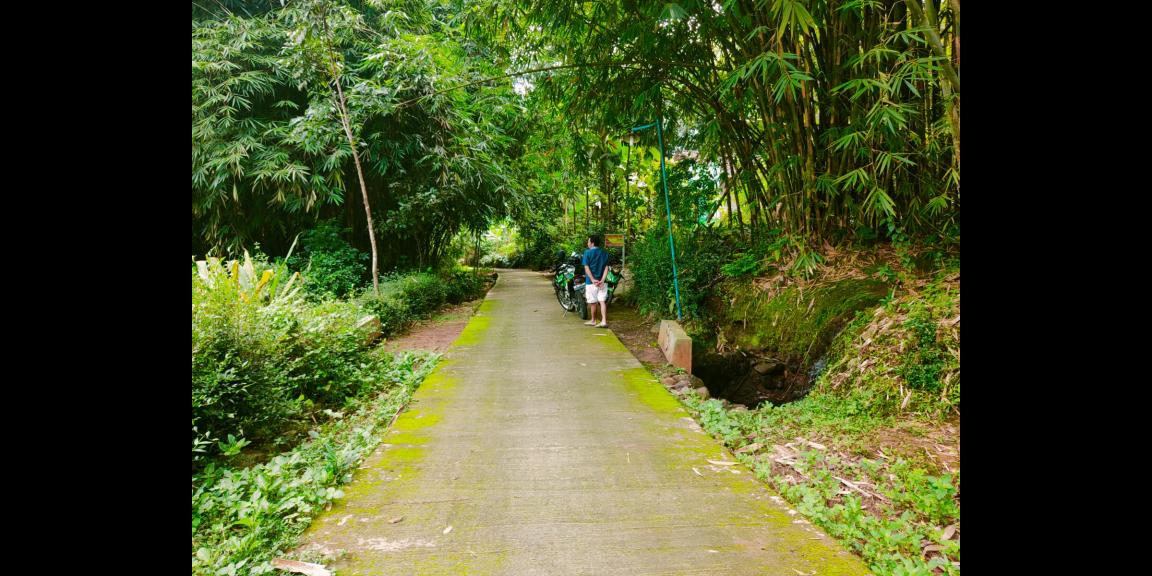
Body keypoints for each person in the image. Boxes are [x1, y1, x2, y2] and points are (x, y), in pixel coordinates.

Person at [581, 234, 610, 328]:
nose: (587, 243)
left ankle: (593, 320)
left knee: (593, 303)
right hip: (602, 283)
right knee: (602, 301)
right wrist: (602, 280)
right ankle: (604, 321)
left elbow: (586, 268)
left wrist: (593, 280)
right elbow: (606, 268)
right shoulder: (604, 253)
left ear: (592, 243)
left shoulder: (587, 253)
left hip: (590, 282)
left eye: (588, 241)